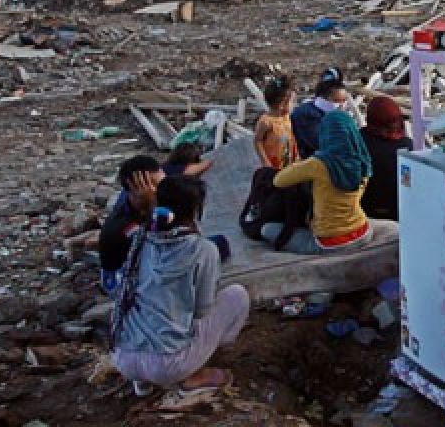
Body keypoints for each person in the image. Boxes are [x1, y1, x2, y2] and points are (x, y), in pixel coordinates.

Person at [111, 176, 248, 396]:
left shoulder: (140, 238)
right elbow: (202, 310)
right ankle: (192, 375)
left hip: (122, 356)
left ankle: (142, 382)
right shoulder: (203, 250)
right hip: (168, 364)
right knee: (237, 295)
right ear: (195, 209)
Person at [261, 111, 372, 254]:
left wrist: (301, 164)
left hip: (330, 243)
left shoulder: (318, 164)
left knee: (267, 230)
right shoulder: (363, 161)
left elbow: (278, 181)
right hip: (363, 232)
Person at [99, 156, 165, 294]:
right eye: (155, 187)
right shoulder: (123, 225)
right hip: (118, 277)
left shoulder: (139, 203)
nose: (163, 191)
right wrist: (153, 203)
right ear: (134, 189)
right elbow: (161, 244)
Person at [360, 95, 412, 221]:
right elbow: (409, 182)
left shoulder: (358, 140)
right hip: (399, 213)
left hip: (363, 212)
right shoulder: (407, 146)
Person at [290, 67, 349, 158]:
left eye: (344, 101)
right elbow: (322, 145)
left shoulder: (310, 109)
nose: (342, 105)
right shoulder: (307, 116)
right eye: (338, 101)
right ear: (326, 97)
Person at [254, 76, 298, 170]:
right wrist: (265, 161)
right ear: (282, 104)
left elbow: (291, 138)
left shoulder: (286, 117)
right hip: (273, 166)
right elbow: (257, 141)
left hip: (288, 163)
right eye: (292, 102)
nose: (294, 105)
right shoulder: (266, 122)